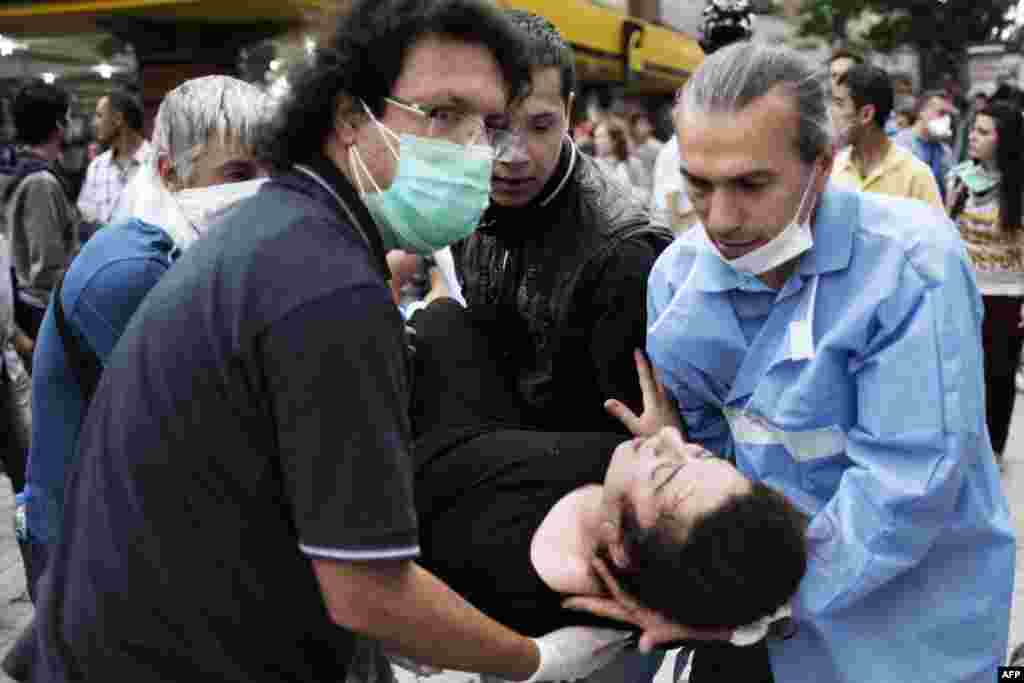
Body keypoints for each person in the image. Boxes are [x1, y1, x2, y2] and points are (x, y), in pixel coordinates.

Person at [21, 3, 630, 682]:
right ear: (348, 118)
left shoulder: (292, 228)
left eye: (484, 124)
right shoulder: (327, 285)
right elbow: (368, 589)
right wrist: (540, 659)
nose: (475, 151)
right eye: (441, 114)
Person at [571, 41, 1015, 683]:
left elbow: (905, 487)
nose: (721, 219)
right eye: (699, 184)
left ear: (821, 165)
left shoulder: (911, 267)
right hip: (757, 618)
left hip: (906, 631)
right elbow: (715, 454)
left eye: (752, 184)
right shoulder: (678, 283)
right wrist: (674, 457)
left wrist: (756, 608)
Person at [407, 298, 807, 639]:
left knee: (432, 323)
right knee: (444, 318)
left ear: (619, 545)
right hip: (492, 436)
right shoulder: (668, 585)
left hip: (417, 461)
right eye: (701, 455)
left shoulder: (501, 563)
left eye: (666, 472)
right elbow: (753, 600)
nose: (669, 440)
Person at [17, 76, 273, 604]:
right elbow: (222, 431)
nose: (263, 191)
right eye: (239, 174)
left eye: (275, 171)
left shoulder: (194, 252)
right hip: (98, 568)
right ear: (169, 172)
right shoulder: (133, 273)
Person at [454, 9, 672, 436]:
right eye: (494, 126)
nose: (513, 156)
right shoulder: (467, 198)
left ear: (568, 113)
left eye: (540, 125)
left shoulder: (622, 254)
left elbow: (627, 435)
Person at [946, 99, 1024, 468]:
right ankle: (965, 441)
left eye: (983, 132)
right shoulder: (958, 178)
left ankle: (993, 448)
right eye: (973, 130)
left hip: (1007, 296)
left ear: (1004, 139)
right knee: (962, 370)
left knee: (999, 374)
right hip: (964, 292)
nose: (973, 138)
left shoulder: (1019, 187)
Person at [3, 81, 80, 343]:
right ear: (58, 125)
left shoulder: (27, 172)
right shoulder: (41, 183)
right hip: (44, 311)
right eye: (68, 117)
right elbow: (47, 268)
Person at [829, 63, 942, 208]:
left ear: (866, 114)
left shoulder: (916, 176)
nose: (832, 113)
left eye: (839, 104)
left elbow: (936, 229)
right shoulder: (833, 170)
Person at [76, 90, 151, 234]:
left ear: (118, 119)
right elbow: (86, 218)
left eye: (99, 115)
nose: (93, 123)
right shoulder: (96, 167)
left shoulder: (156, 163)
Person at [893, 89, 955, 199]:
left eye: (948, 115)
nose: (946, 120)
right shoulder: (900, 145)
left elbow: (950, 189)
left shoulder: (945, 151)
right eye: (941, 113)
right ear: (922, 111)